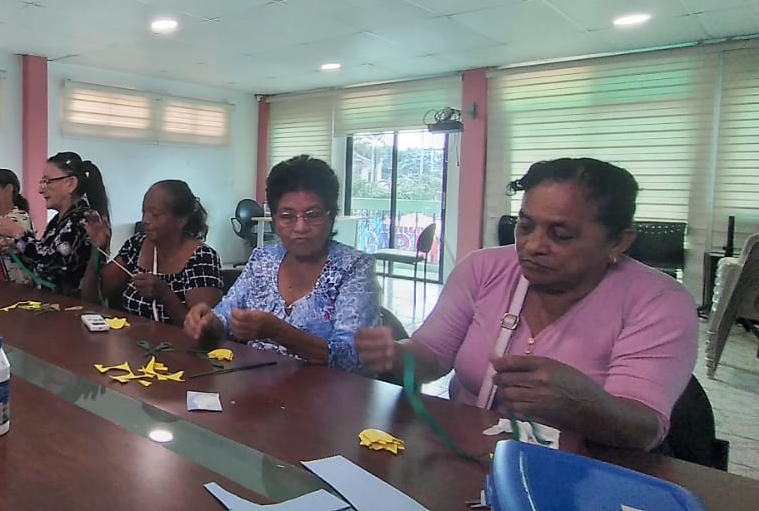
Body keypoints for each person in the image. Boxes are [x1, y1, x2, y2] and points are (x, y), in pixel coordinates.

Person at [354, 158, 697, 450]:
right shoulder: (482, 269)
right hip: (468, 455)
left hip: (584, 471)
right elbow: (432, 355)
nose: (533, 246)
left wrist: (584, 404)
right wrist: (396, 355)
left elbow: (644, 430)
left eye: (560, 235)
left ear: (619, 242)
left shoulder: (659, 302)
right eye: (525, 226)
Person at [184, 155, 380, 373]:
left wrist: (279, 332)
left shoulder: (354, 267)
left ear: (330, 216)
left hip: (327, 391)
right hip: (258, 386)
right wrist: (208, 322)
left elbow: (353, 358)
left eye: (312, 215)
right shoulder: (263, 260)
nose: (300, 227)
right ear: (275, 220)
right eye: (287, 216)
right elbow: (226, 316)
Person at [83, 180, 222, 324]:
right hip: (134, 337)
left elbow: (202, 328)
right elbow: (91, 297)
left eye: (155, 214)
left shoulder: (203, 258)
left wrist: (165, 295)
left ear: (181, 221)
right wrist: (98, 249)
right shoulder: (136, 245)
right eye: (144, 212)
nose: (145, 220)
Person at [0, 151, 108, 297]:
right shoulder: (59, 220)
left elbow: (53, 263)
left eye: (48, 181)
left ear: (71, 184)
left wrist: (19, 235)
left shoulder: (82, 219)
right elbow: (40, 262)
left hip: (69, 306)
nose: (40, 190)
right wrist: (17, 249)